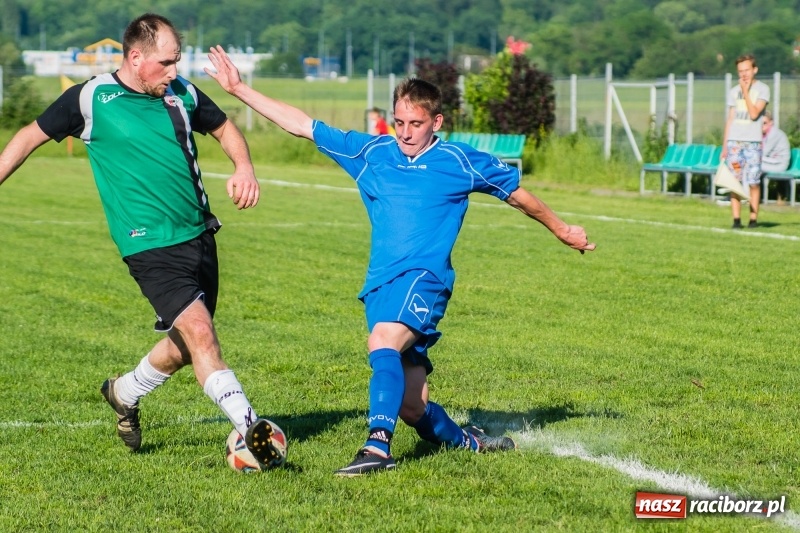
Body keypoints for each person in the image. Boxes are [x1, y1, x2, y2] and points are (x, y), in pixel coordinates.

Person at [206, 45, 595, 476]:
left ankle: (377, 448)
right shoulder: (372, 154)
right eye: (400, 122)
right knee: (413, 405)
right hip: (380, 284)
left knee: (384, 342)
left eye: (416, 124)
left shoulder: (458, 161)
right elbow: (303, 125)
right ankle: (471, 442)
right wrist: (239, 89)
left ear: (437, 122)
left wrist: (560, 228)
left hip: (425, 281)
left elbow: (518, 195)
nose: (406, 132)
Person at [0, 14, 283, 470]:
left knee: (184, 346)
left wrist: (244, 167)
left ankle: (124, 391)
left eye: (176, 61)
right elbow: (28, 136)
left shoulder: (183, 93)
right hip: (147, 244)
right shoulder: (91, 97)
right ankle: (253, 429)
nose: (173, 71)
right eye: (166, 62)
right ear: (136, 58)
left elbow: (226, 128)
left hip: (198, 234)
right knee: (201, 333)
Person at [722, 54, 770, 229]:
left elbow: (754, 113)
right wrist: (725, 146)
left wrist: (746, 92)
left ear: (754, 70)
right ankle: (736, 219)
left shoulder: (763, 90)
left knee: (753, 182)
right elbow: (730, 119)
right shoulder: (733, 92)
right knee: (734, 180)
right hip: (735, 143)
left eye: (747, 70)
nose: (744, 74)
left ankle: (753, 218)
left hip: (753, 143)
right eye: (740, 71)